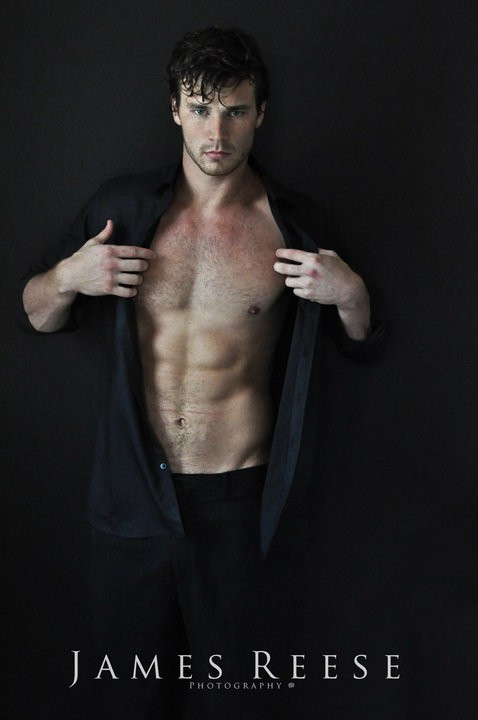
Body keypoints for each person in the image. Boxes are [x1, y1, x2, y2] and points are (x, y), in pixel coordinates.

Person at [21, 26, 385, 720]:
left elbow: (364, 345)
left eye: (235, 111)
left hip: (238, 502)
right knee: (125, 698)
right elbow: (36, 315)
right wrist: (68, 277)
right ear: (175, 110)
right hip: (133, 493)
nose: (216, 132)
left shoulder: (295, 225)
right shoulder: (122, 209)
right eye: (200, 108)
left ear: (261, 114)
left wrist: (351, 295)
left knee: (236, 702)